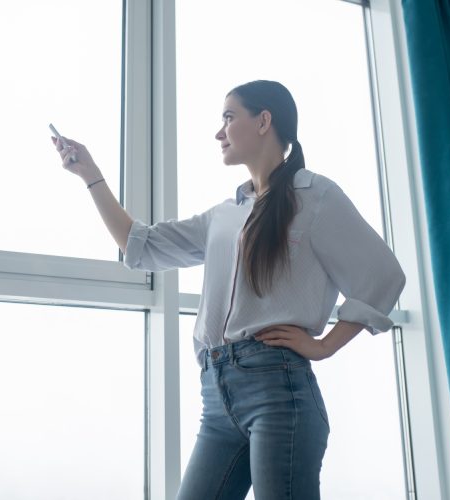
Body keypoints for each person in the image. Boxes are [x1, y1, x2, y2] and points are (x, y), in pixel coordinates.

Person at [52, 80, 406, 500]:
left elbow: (383, 275)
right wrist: (90, 174)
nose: (219, 132)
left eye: (228, 117)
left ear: (264, 121)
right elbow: (138, 244)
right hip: (217, 397)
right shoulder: (224, 215)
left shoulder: (316, 196)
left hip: (278, 389)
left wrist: (326, 345)